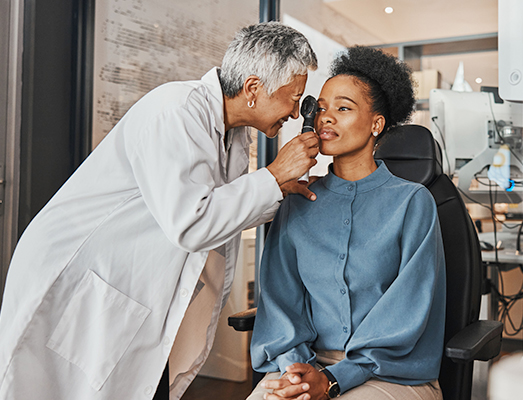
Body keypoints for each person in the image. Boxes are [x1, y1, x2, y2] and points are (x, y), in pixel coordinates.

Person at [0, 22, 319, 399]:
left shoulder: (231, 133)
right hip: (82, 276)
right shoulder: (177, 111)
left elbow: (220, 207)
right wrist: (274, 174)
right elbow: (192, 223)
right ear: (253, 89)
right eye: (292, 97)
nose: (297, 113)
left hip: (123, 283)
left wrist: (277, 189)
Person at [247, 46, 446, 400]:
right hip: (306, 365)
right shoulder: (296, 202)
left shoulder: (413, 203)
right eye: (321, 108)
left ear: (376, 124)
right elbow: (281, 304)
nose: (326, 118)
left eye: (343, 108)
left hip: (390, 373)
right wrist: (298, 374)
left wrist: (334, 379)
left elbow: (406, 315)